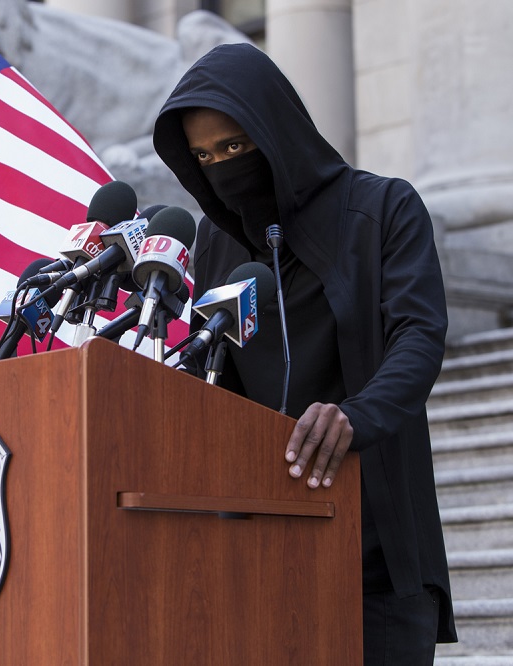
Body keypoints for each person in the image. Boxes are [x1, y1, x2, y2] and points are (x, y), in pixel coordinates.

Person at [152, 43, 456, 663]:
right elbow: (214, 375)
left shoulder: (383, 209)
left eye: (234, 146)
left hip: (377, 549)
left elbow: (419, 335)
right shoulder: (214, 244)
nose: (222, 168)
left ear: (276, 130)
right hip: (260, 552)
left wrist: (355, 416)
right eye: (204, 157)